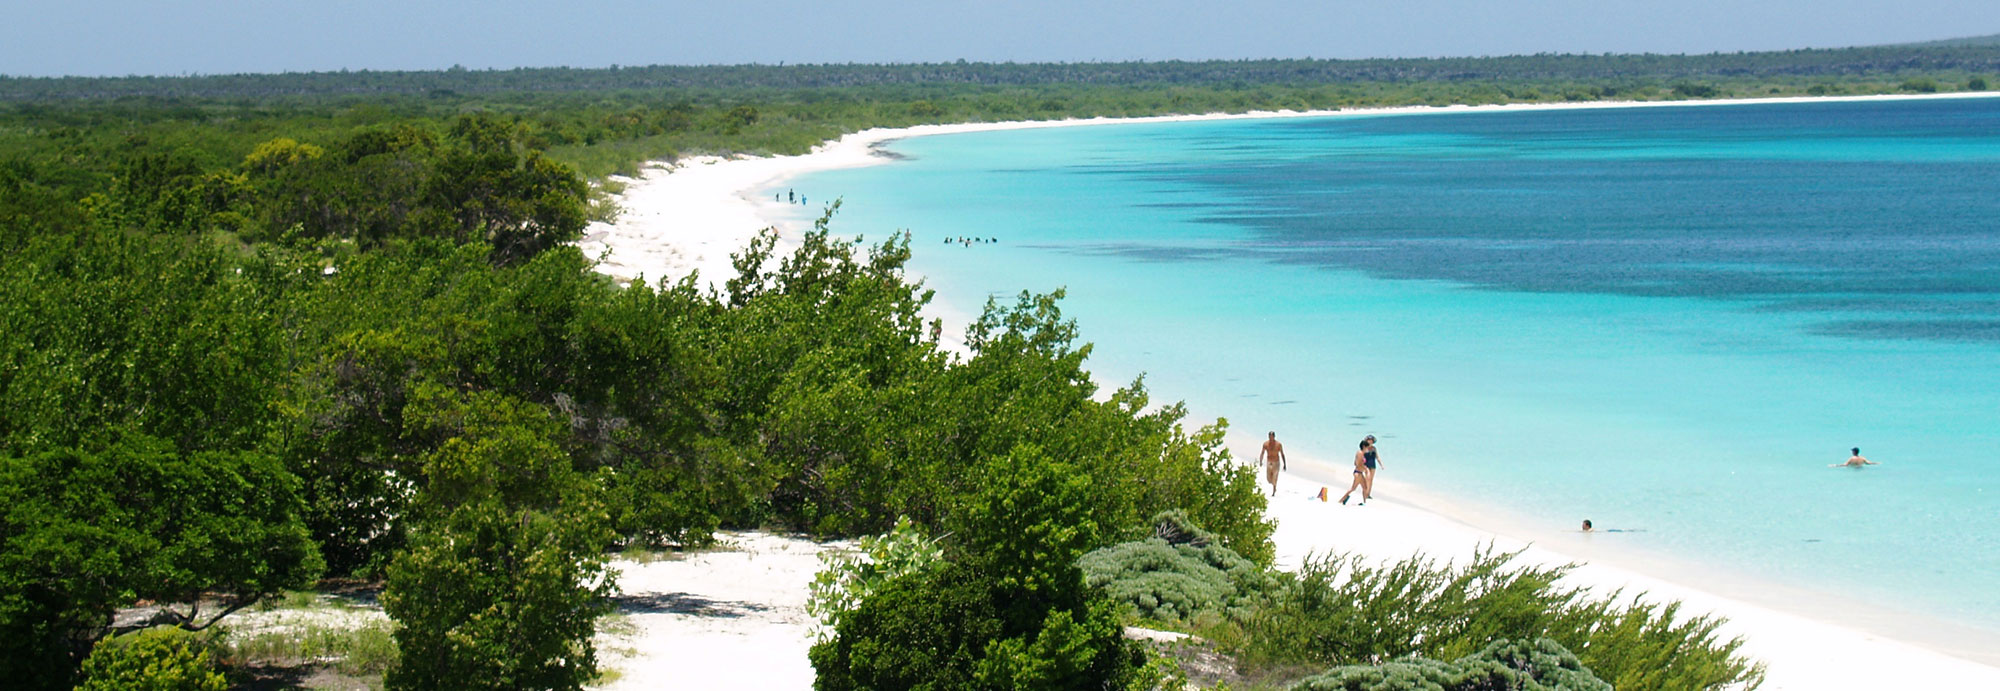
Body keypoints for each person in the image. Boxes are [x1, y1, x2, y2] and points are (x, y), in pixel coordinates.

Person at [1338, 438, 1373, 505]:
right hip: (1358, 473)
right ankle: (1341, 500)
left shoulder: (1361, 453)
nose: (1368, 449)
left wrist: (1364, 468)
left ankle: (1364, 502)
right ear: (1364, 446)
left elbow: (1355, 463)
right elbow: (1357, 464)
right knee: (1353, 488)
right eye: (1367, 447)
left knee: (1365, 487)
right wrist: (1366, 469)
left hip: (1359, 473)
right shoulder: (1360, 453)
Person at [1259, 432, 1286, 496]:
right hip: (1269, 462)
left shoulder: (1278, 444)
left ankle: (1274, 490)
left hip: (1276, 462)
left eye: (1272, 437)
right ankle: (1273, 485)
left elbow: (1282, 454)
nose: (1271, 438)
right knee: (1269, 479)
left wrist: (1284, 464)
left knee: (1275, 477)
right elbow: (1262, 453)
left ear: (1274, 437)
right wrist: (1260, 461)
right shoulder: (1265, 444)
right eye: (1269, 437)